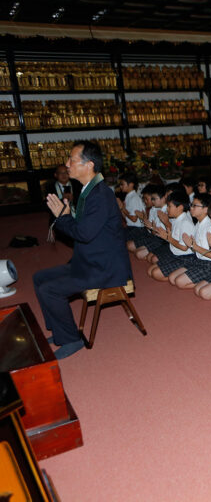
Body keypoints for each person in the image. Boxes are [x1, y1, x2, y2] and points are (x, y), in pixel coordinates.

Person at [34, 141, 131, 359]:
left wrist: (63, 217)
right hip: (90, 260)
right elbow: (84, 231)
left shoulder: (100, 195)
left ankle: (71, 339)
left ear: (88, 165)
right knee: (39, 278)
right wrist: (66, 217)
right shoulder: (88, 190)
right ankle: (61, 331)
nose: (67, 164)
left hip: (104, 268)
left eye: (72, 159)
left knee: (50, 289)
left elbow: (84, 234)